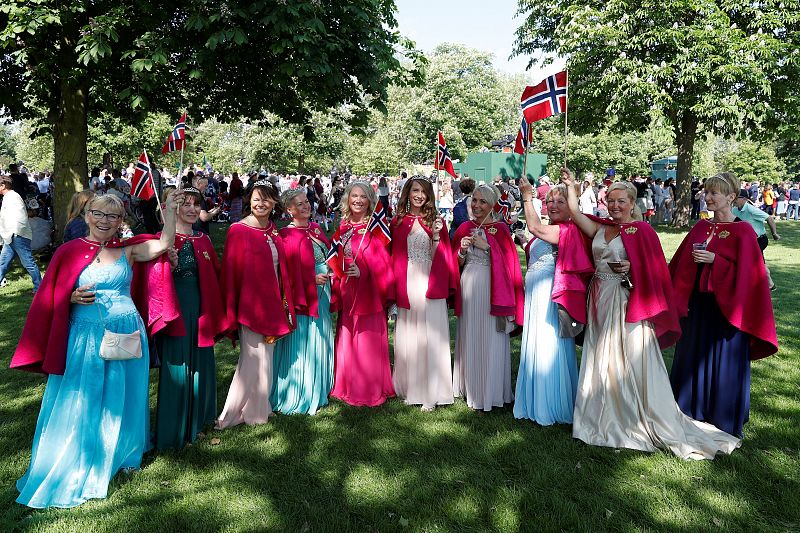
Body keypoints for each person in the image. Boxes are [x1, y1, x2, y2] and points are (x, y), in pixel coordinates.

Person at [11, 191, 181, 508]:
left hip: (127, 332)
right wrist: (70, 298)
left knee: (126, 394)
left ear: (121, 222)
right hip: (85, 336)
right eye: (98, 214)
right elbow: (50, 296)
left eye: (112, 216)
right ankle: (79, 453)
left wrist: (169, 210)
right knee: (82, 394)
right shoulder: (68, 251)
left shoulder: (127, 250)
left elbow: (163, 243)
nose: (104, 221)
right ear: (87, 216)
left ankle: (122, 453)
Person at [561, 168, 740, 460]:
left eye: (622, 201)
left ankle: (630, 416)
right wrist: (570, 187)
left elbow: (654, 272)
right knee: (600, 355)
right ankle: (599, 412)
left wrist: (632, 270)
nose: (615, 205)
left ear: (633, 203)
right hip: (600, 299)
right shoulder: (602, 228)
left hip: (626, 300)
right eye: (611, 200)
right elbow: (574, 213)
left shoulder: (642, 231)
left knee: (627, 356)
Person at [669, 174, 778, 438]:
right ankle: (688, 409)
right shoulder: (700, 228)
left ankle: (722, 414)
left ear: (731, 197)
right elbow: (678, 266)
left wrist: (716, 260)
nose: (707, 198)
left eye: (714, 194)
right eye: (706, 193)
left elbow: (751, 277)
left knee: (724, 361)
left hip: (729, 310)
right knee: (693, 356)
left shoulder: (744, 232)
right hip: (699, 307)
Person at [216, 180, 296, 428]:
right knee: (251, 359)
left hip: (273, 303)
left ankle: (259, 407)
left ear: (274, 203)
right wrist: (234, 306)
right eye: (256, 199)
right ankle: (231, 414)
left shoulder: (272, 229)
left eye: (266, 199)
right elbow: (231, 272)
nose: (261, 203)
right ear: (249, 201)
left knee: (266, 358)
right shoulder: (238, 230)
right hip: (250, 305)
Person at [514, 179, 592, 425]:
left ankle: (551, 403)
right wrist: (524, 243)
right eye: (550, 201)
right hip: (536, 293)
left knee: (549, 344)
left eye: (561, 201)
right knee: (536, 341)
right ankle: (535, 398)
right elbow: (538, 245)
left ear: (570, 206)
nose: (554, 205)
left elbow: (535, 228)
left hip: (551, 293)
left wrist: (527, 196)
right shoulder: (554, 228)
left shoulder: (566, 229)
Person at [154, 187, 225, 450]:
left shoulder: (203, 240)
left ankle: (199, 420)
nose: (193, 209)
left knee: (201, 360)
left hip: (201, 308)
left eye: (197, 204)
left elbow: (215, 276)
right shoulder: (163, 239)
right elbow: (152, 280)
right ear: (172, 208)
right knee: (177, 363)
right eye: (186, 204)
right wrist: (167, 266)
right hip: (176, 309)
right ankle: (173, 429)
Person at [451, 184, 523, 411]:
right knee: (470, 332)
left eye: (482, 201)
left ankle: (490, 390)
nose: (477, 205)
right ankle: (469, 386)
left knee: (490, 334)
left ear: (492, 204)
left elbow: (510, 264)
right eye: (474, 200)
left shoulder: (500, 230)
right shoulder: (464, 227)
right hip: (469, 285)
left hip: (493, 289)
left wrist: (488, 247)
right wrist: (461, 252)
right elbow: (455, 265)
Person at [391, 177, 457, 411]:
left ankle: (433, 389)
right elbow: (394, 257)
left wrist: (437, 236)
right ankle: (411, 385)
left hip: (429, 278)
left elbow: (443, 256)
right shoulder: (398, 221)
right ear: (407, 194)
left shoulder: (436, 221)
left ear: (430, 195)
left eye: (424, 192)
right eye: (415, 191)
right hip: (406, 279)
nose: (419, 195)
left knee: (430, 333)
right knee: (410, 333)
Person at [329, 181, 396, 407]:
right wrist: (336, 271)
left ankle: (366, 387)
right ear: (348, 198)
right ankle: (347, 383)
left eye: (363, 197)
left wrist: (364, 270)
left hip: (369, 292)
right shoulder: (344, 226)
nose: (358, 200)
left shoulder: (375, 227)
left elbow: (384, 263)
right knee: (348, 336)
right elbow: (337, 254)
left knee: (366, 338)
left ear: (370, 201)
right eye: (354, 196)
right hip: (348, 290)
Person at [270, 189, 334, 415]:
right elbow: (284, 273)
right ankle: (298, 392)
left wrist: (333, 271)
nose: (305, 206)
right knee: (303, 339)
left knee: (321, 336)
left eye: (306, 201)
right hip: (303, 295)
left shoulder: (316, 228)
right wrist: (310, 279)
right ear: (289, 210)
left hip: (323, 290)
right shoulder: (285, 235)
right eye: (299, 204)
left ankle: (320, 387)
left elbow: (329, 256)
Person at [0, 175, 42, 294]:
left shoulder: (12, 197)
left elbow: (18, 218)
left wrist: (13, 233)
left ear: (3, 186)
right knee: (2, 262)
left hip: (16, 235)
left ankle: (39, 288)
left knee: (28, 263)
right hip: (11, 236)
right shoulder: (9, 197)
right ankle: (39, 287)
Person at [732, 188, 780, 289]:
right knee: (756, 261)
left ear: (744, 199)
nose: (734, 199)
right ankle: (768, 284)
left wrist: (774, 233)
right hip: (748, 240)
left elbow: (769, 218)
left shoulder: (750, 209)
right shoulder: (734, 210)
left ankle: (767, 284)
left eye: (737, 197)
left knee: (755, 261)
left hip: (759, 239)